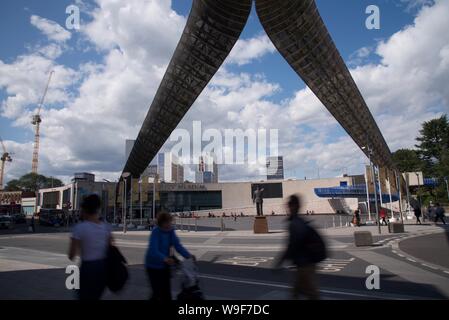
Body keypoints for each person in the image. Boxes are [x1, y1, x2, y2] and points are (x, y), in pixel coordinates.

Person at [274, 195, 325, 300]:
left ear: (294, 206)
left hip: (304, 265)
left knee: (310, 294)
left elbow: (292, 245)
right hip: (305, 264)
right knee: (297, 292)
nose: (287, 208)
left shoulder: (296, 223)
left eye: (289, 205)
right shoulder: (299, 221)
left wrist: (280, 261)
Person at [68, 194, 113, 300]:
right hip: (103, 269)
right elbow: (111, 247)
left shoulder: (79, 228)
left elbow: (71, 255)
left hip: (87, 268)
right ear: (98, 209)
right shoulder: (106, 227)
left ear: (84, 209)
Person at [145, 211, 193, 301]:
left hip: (164, 267)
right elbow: (153, 250)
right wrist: (165, 258)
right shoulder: (156, 232)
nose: (170, 224)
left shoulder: (171, 231)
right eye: (167, 222)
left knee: (166, 293)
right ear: (162, 223)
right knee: (157, 293)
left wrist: (188, 256)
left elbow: (178, 246)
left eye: (170, 222)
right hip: (153, 266)